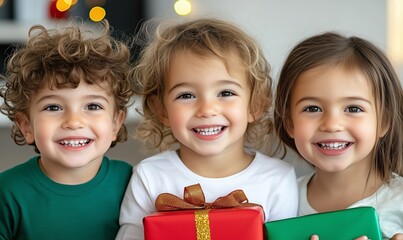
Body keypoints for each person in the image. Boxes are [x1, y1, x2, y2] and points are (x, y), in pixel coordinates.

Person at [116, 18, 298, 239]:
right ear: (161, 109)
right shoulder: (150, 176)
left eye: (226, 93)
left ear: (256, 104)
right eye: (186, 95)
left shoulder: (277, 179)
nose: (207, 109)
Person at [0, 20, 134, 240]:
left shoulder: (133, 183)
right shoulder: (7, 192)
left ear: (115, 124)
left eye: (92, 106)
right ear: (26, 126)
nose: (74, 121)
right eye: (53, 107)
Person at [274, 32, 403, 240]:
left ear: (384, 121)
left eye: (353, 108)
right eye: (312, 108)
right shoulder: (278, 199)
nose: (332, 124)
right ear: (289, 122)